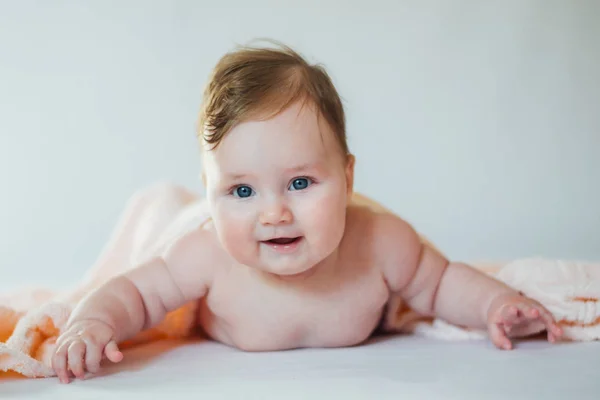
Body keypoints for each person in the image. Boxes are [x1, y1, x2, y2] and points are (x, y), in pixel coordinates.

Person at [51, 41, 563, 384]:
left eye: (300, 183)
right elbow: (137, 294)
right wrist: (94, 322)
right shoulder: (206, 253)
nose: (273, 213)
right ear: (209, 192)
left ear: (348, 180)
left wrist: (497, 306)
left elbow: (443, 283)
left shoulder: (379, 243)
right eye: (241, 191)